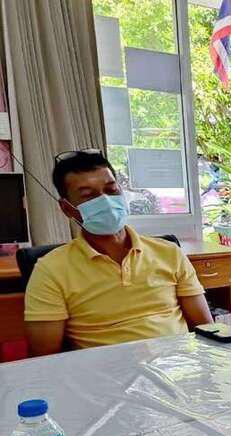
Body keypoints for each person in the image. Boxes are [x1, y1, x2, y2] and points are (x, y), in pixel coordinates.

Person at [24, 150, 213, 356]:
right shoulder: (51, 270)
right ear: (67, 209)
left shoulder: (169, 253)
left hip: (179, 366)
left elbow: (207, 328)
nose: (105, 201)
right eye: (88, 196)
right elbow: (44, 358)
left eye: (111, 190)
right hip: (106, 372)